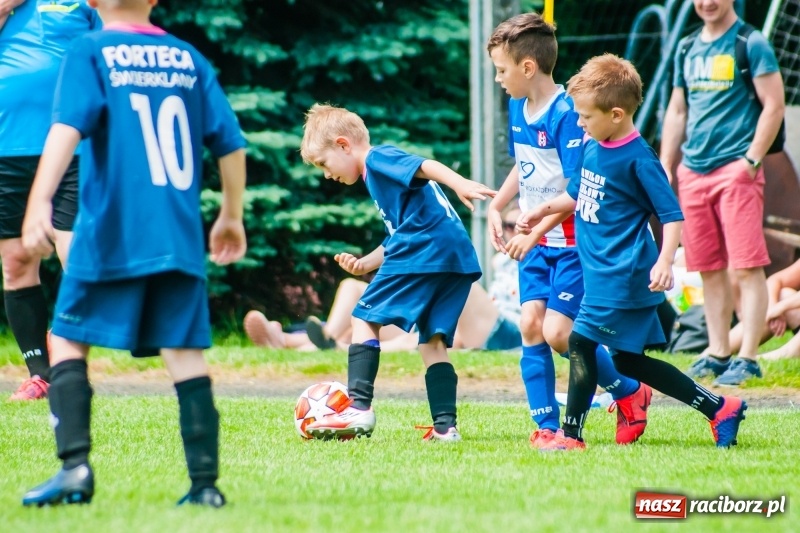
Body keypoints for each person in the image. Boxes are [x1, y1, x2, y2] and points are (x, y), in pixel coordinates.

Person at [19, 0, 246, 507]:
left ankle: (75, 467)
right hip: (178, 237)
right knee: (185, 354)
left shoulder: (90, 48)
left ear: (93, 3)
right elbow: (230, 145)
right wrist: (230, 216)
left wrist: (40, 201)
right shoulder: (188, 57)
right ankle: (205, 486)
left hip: (108, 233)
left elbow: (66, 130)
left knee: (71, 341)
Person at [516, 53, 747, 451]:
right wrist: (539, 211)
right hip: (601, 274)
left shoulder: (639, 159)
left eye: (586, 117)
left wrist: (664, 261)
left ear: (617, 114)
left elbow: (671, 215)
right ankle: (720, 407)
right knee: (627, 361)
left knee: (581, 343)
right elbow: (576, 193)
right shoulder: (594, 144)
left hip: (622, 276)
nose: (580, 124)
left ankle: (570, 436)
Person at [485, 12, 650, 448]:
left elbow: (578, 192)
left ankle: (630, 391)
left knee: (560, 333)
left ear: (527, 67)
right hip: (535, 240)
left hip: (571, 242)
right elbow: (525, 168)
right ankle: (546, 426)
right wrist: (496, 206)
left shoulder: (566, 114)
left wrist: (535, 231)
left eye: (502, 70)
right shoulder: (516, 107)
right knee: (529, 325)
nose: (498, 79)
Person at [297, 103, 495, 442]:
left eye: (324, 164)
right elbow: (401, 231)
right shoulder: (378, 178)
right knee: (432, 343)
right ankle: (446, 428)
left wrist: (458, 182)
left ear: (344, 145)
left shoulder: (376, 160)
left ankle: (358, 408)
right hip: (454, 255)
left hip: (425, 250)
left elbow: (424, 165)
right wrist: (366, 263)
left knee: (363, 317)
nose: (326, 174)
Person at [660, 0, 786, 386]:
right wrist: (667, 166)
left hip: (736, 171)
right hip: (693, 173)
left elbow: (774, 105)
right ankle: (718, 351)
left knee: (746, 266)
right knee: (707, 267)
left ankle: (748, 356)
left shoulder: (751, 42)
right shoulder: (686, 48)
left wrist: (749, 161)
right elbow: (677, 110)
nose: (707, 3)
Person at [1, 0, 100, 400]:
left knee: (75, 256)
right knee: (15, 262)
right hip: (6, 147)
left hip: (73, 147)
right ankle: (40, 374)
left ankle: (67, 360)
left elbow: (112, 46)